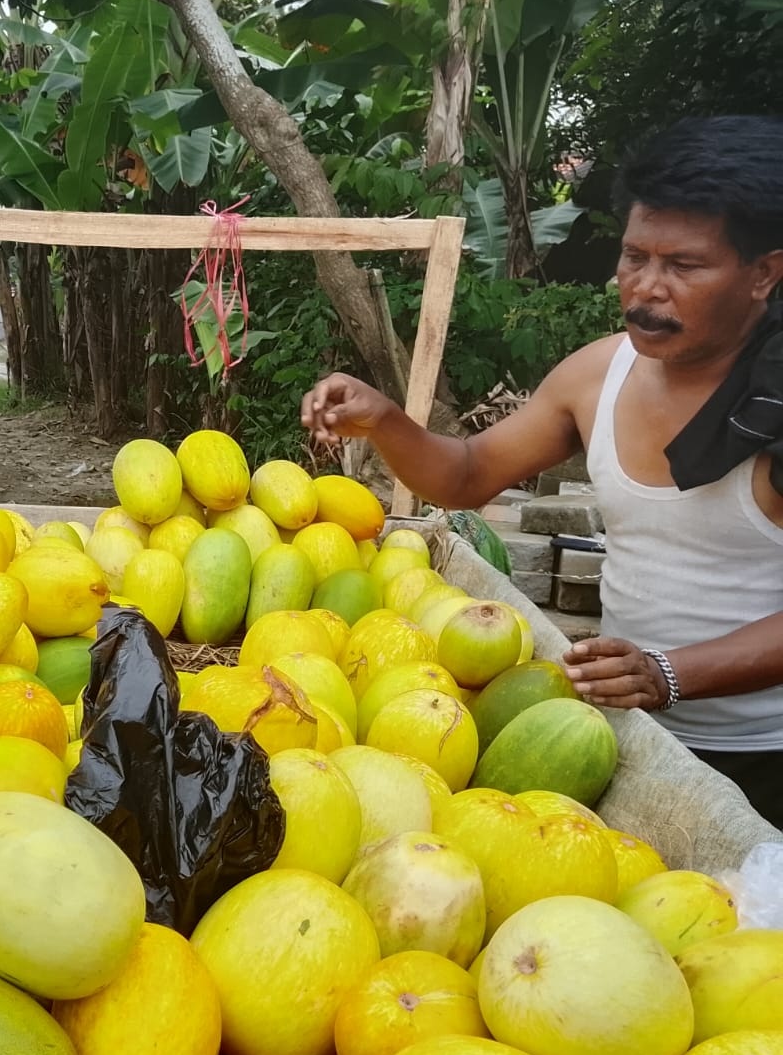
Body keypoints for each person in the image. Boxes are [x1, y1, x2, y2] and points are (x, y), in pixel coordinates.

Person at [300, 115, 783, 827]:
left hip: (760, 757)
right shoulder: (598, 373)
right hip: (616, 734)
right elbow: (466, 476)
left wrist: (669, 672)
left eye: (683, 266)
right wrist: (385, 421)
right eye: (634, 257)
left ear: (764, 274)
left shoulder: (772, 403)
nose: (646, 288)